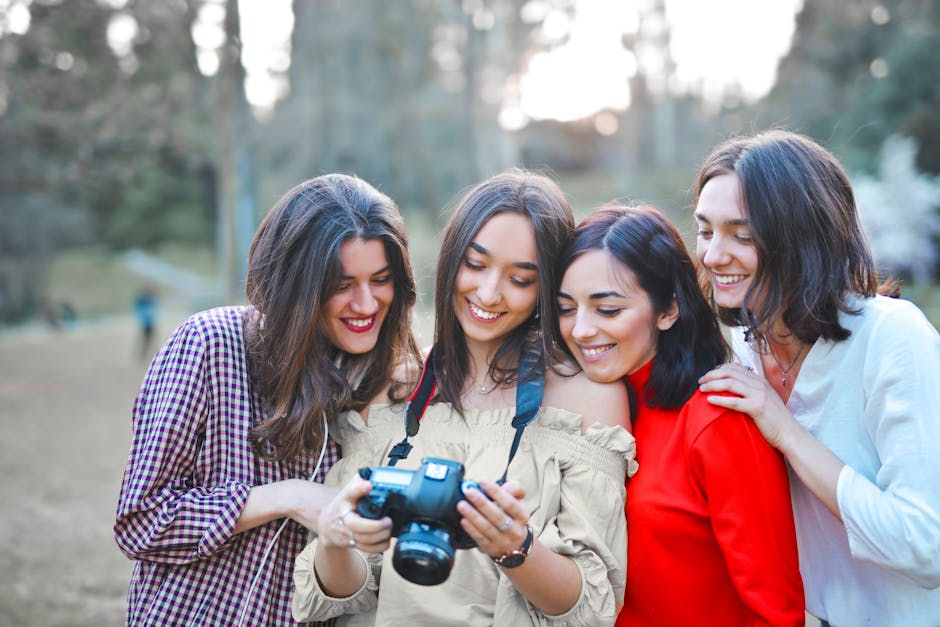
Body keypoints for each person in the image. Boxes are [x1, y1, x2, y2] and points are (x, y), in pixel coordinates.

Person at [292, 169, 637, 626]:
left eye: (520, 279)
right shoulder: (390, 383)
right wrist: (336, 541)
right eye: (475, 265)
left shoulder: (585, 399)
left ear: (547, 290)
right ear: (451, 258)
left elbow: (590, 607)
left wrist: (514, 546)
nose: (489, 293)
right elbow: (339, 596)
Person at [114, 174, 422, 626]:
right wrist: (288, 496)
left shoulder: (381, 382)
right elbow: (141, 522)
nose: (366, 303)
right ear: (296, 283)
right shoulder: (209, 344)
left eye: (381, 280)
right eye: (341, 284)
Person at [694, 130, 940, 626]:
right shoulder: (743, 348)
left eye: (742, 235)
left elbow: (925, 546)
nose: (713, 255)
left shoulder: (892, 337)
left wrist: (784, 429)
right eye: (705, 230)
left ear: (803, 238)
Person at [555, 204, 805, 626]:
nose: (580, 330)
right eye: (566, 308)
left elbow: (776, 610)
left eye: (608, 309)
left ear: (668, 309)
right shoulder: (569, 408)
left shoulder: (718, 419)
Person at [133, 285, 157, 360]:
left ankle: (147, 354)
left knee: (150, 339)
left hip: (150, 322)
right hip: (146, 323)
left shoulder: (150, 299)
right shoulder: (142, 299)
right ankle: (143, 354)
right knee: (146, 339)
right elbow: (139, 310)